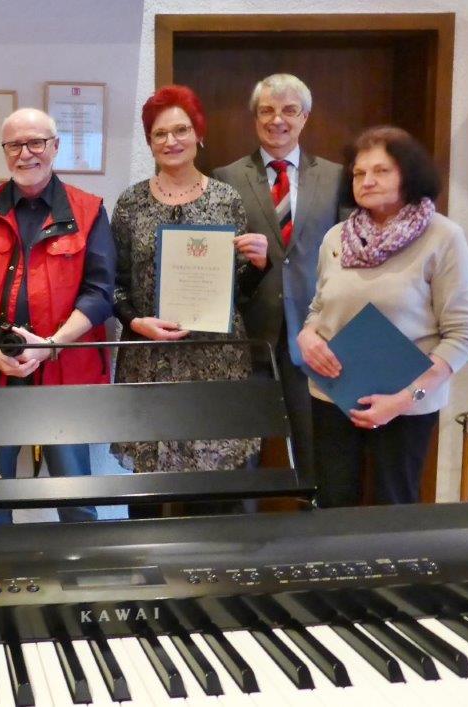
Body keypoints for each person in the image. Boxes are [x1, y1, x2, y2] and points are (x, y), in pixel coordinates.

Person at [298, 126, 468, 507]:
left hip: (406, 404)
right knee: (332, 506)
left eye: (381, 171)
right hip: (333, 396)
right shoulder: (336, 237)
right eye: (359, 173)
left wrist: (405, 398)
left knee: (393, 508)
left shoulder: (443, 237)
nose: (367, 181)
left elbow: (464, 334)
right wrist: (307, 336)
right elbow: (319, 307)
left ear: (409, 175)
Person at [0, 107, 115, 525]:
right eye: (15, 145)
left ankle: (82, 569)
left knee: (76, 497)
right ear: (4, 151)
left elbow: (99, 293)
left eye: (36, 142)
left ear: (55, 146)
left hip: (64, 374)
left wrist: (51, 346)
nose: (26, 154)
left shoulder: (88, 210)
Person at [109, 85, 268, 514]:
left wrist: (258, 265)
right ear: (149, 142)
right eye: (159, 133)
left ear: (199, 134)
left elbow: (239, 293)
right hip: (148, 360)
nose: (171, 141)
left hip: (215, 360)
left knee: (212, 492)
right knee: (147, 490)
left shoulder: (226, 199)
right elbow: (113, 283)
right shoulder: (130, 203)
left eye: (181, 130)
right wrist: (134, 321)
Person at [212, 73, 344, 480]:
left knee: (314, 449)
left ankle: (314, 515)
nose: (277, 120)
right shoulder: (227, 177)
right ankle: (242, 518)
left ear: (305, 117)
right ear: (255, 118)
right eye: (267, 110)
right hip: (250, 334)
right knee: (241, 453)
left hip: (316, 336)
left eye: (289, 110)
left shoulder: (337, 177)